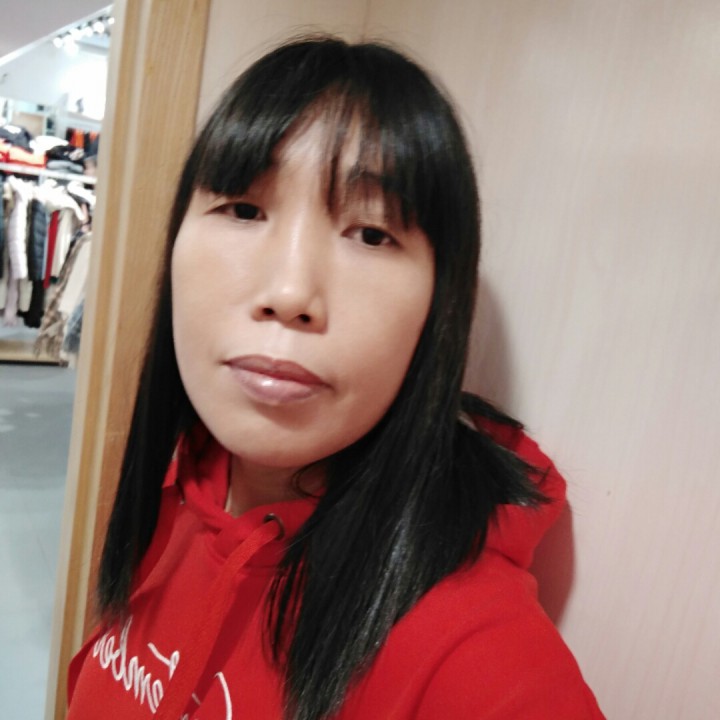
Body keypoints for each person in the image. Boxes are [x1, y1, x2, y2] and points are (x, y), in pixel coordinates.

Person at [66, 36, 605, 720]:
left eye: (372, 234)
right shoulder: (176, 483)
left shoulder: (481, 656)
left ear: (440, 308)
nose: (290, 292)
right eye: (243, 209)